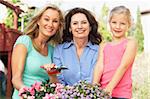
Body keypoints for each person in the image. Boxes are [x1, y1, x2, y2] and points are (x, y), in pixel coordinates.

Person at [11, 4, 64, 99]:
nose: (50, 24)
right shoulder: (25, 41)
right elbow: (16, 79)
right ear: (38, 21)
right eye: (46, 19)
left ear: (58, 26)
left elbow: (54, 85)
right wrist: (29, 93)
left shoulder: (52, 50)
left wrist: (52, 74)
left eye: (55, 21)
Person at [45, 7, 102, 86]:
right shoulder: (59, 50)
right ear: (70, 28)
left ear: (90, 27)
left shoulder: (100, 50)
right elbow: (59, 83)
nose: (80, 26)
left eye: (84, 22)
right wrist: (52, 75)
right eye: (75, 23)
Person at [92, 6, 138, 99]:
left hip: (122, 93)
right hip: (103, 91)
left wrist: (109, 88)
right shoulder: (104, 45)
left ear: (129, 25)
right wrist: (94, 87)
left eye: (122, 23)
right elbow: (99, 66)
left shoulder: (130, 43)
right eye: (114, 22)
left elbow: (123, 66)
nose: (117, 26)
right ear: (109, 23)